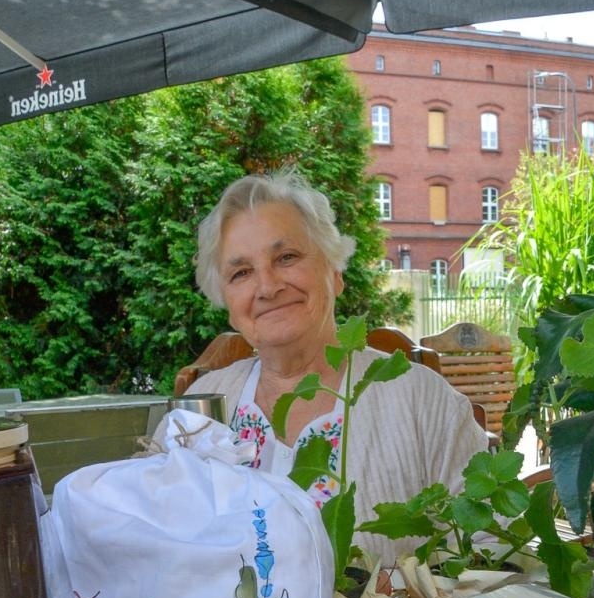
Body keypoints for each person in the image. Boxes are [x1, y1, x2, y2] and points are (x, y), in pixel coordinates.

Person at [188, 169, 488, 563]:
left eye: (287, 257)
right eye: (241, 273)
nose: (267, 286)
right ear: (225, 300)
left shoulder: (424, 402)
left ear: (335, 272)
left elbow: (488, 546)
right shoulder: (196, 413)